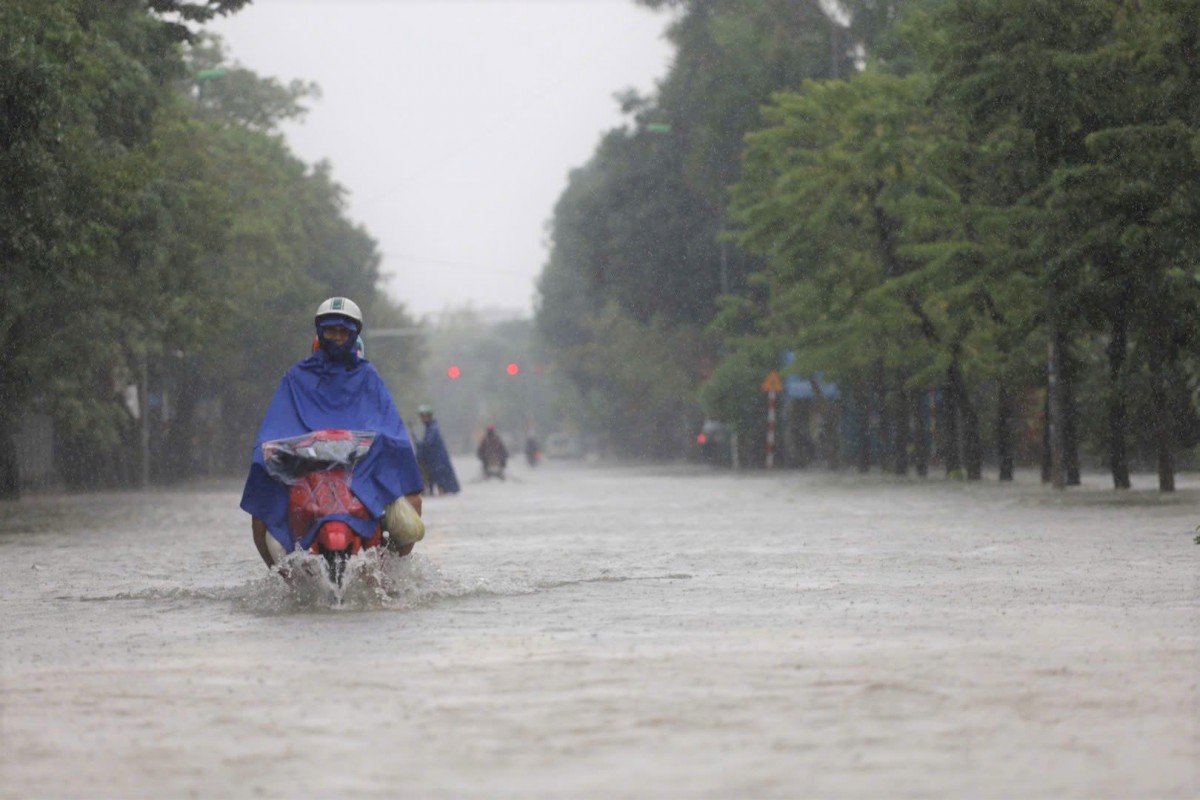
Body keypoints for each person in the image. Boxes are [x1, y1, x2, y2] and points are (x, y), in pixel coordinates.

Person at [240, 297, 425, 568]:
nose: (337, 338)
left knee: (412, 504)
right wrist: (267, 450)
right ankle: (282, 579)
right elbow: (278, 424)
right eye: (331, 331)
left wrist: (386, 445)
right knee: (261, 506)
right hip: (305, 465)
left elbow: (387, 425)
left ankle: (391, 572)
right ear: (320, 331)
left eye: (343, 332)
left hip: (361, 468)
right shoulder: (296, 377)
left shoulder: (368, 376)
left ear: (354, 334)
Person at [416, 404, 460, 495]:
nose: (422, 419)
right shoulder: (430, 428)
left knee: (442, 484)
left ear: (429, 416)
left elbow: (428, 443)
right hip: (434, 461)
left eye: (423, 417)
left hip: (438, 461)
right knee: (437, 483)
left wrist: (420, 445)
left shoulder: (433, 429)